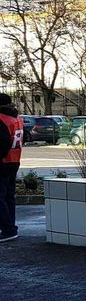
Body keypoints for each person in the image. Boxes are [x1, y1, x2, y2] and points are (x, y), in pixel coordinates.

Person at [0, 93, 24, 242]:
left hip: (2, 163)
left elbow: (2, 144)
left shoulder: (1, 120)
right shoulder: (17, 119)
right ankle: (10, 226)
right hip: (14, 161)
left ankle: (8, 229)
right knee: (9, 196)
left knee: (1, 197)